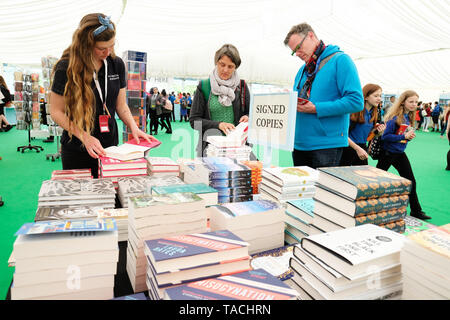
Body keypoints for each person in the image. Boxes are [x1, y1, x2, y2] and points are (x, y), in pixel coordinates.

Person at [50, 13, 153, 178]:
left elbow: (120, 105)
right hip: (77, 147)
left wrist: (134, 128)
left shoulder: (116, 64)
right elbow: (56, 111)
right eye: (101, 48)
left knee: (111, 197)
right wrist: (85, 137)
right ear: (86, 44)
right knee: (81, 200)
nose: (108, 52)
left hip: (110, 148)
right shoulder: (66, 68)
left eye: (111, 46)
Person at [283, 23, 364, 168]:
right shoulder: (302, 69)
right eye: (293, 51)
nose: (297, 54)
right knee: (303, 190)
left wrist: (316, 108)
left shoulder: (341, 60)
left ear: (311, 36)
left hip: (326, 146)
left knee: (322, 191)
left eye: (298, 48)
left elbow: (356, 101)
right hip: (299, 144)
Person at [376, 90, 431, 220]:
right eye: (411, 101)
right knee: (376, 181)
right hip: (388, 154)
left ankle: (416, 210)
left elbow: (400, 137)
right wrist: (403, 136)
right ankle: (369, 207)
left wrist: (407, 137)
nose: (414, 104)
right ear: (403, 102)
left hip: (399, 153)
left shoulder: (408, 116)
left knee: (411, 181)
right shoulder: (395, 117)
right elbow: (385, 136)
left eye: (416, 102)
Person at [190, 44, 250, 157]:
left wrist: (248, 117)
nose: (225, 70)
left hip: (237, 150)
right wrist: (219, 125)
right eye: (222, 64)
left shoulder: (242, 86)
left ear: (235, 67)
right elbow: (194, 121)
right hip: (210, 149)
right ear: (216, 62)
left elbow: (251, 114)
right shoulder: (204, 86)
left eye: (230, 66)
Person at [340, 84, 386, 166]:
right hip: (347, 149)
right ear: (366, 97)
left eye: (380, 96)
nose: (379, 98)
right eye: (376, 96)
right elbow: (342, 134)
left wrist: (378, 133)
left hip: (362, 148)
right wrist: (357, 148)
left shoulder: (374, 114)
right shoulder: (354, 112)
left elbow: (368, 137)